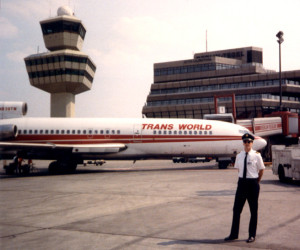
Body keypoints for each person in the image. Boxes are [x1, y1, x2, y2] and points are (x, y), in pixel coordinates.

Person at [225, 133, 265, 243]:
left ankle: (252, 235)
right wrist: (243, 179)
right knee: (236, 210)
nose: (247, 144)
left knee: (253, 210)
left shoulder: (257, 155)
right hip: (241, 184)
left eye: (249, 142)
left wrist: (256, 181)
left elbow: (261, 170)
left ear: (252, 143)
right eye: (245, 142)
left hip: (252, 184)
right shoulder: (239, 156)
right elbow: (238, 169)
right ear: (243, 143)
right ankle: (233, 234)